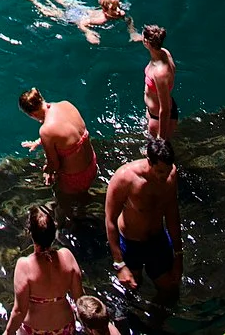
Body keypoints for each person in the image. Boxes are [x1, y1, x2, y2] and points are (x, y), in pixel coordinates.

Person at [105, 135, 181, 300]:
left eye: (167, 172)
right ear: (149, 162)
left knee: (170, 289)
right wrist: (119, 264)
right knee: (131, 288)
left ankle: (157, 321)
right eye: (160, 171)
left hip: (157, 239)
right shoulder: (125, 178)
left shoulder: (171, 174)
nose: (164, 177)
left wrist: (178, 255)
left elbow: (172, 213)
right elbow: (110, 220)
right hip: (131, 243)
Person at [3, 203, 82, 335]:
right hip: (64, 327)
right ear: (53, 232)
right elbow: (79, 299)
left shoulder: (24, 266)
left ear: (30, 233)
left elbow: (19, 311)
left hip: (34, 330)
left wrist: (7, 332)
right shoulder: (67, 257)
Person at [18, 88, 98, 197]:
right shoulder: (65, 104)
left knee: (66, 203)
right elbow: (66, 133)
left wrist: (47, 170)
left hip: (76, 178)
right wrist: (38, 142)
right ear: (41, 98)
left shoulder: (46, 131)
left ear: (32, 115)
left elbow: (54, 165)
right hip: (92, 164)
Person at [18, 0, 133, 46]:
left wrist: (133, 32)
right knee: (49, 11)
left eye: (118, 6)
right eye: (114, 9)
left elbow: (128, 19)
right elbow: (82, 23)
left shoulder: (119, 13)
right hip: (76, 15)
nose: (118, 10)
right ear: (104, 10)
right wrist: (88, 33)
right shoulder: (100, 20)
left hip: (80, 8)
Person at [139, 24, 177, 136]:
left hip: (158, 118)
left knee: (154, 152)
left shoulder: (160, 72)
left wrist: (161, 138)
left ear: (146, 42)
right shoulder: (164, 52)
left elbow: (165, 109)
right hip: (153, 112)